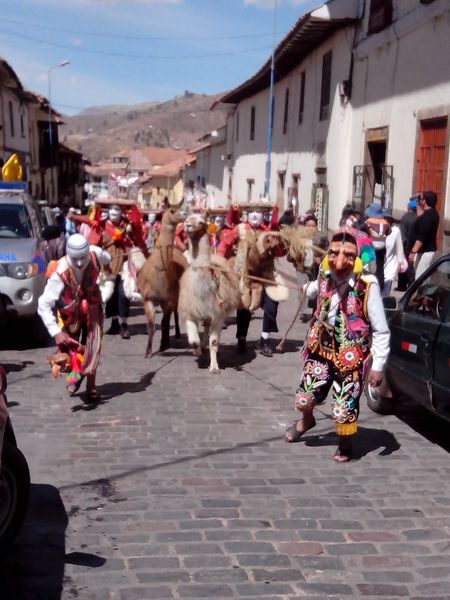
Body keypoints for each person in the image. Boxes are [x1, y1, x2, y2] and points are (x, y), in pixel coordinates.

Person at [285, 230, 390, 462]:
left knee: (343, 409)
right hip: (320, 348)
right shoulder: (325, 271)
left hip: (350, 355)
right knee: (305, 397)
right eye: (333, 255)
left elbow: (381, 330)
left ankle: (345, 443)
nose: (338, 262)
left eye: (346, 257)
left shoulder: (367, 285)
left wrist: (378, 366)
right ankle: (306, 420)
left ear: (356, 260)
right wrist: (307, 289)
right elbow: (315, 287)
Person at [38, 234, 111, 403]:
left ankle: (91, 386)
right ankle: (75, 377)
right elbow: (43, 304)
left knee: (93, 348)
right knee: (73, 352)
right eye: (75, 258)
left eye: (83, 258)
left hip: (93, 310)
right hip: (68, 315)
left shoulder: (95, 254)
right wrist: (55, 331)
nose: (79, 263)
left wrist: (108, 261)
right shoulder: (59, 272)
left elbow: (108, 258)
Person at [217, 204, 282, 356]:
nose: (254, 215)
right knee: (244, 308)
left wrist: (278, 242)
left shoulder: (268, 231)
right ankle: (241, 339)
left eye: (258, 212)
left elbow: (279, 252)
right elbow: (225, 244)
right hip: (244, 275)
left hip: (265, 274)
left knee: (272, 304)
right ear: (246, 214)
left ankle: (264, 340)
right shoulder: (239, 229)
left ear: (264, 215)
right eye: (251, 212)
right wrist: (219, 260)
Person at [408, 191, 440, 279]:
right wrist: (417, 203)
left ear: (424, 201)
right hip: (426, 252)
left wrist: (413, 252)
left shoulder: (428, 216)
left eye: (421, 198)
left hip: (425, 253)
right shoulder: (433, 214)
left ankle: (419, 293)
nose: (419, 199)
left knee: (420, 279)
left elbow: (422, 236)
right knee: (420, 278)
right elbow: (421, 216)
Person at [364, 203, 391, 290]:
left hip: (370, 247)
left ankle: (369, 284)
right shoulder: (386, 223)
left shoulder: (367, 222)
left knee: (368, 265)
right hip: (382, 248)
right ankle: (381, 285)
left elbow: (364, 232)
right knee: (380, 267)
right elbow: (389, 233)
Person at [382, 208, 407, 297]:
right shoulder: (375, 229)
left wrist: (399, 263)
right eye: (383, 218)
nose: (385, 220)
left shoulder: (395, 231)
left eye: (386, 218)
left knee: (385, 293)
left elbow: (400, 248)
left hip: (390, 266)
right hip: (378, 266)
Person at [397, 198, 418, 291]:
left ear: (408, 207)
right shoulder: (417, 218)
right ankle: (411, 285)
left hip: (406, 245)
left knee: (404, 266)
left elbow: (402, 234)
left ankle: (402, 286)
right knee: (411, 266)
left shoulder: (405, 218)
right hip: (415, 246)